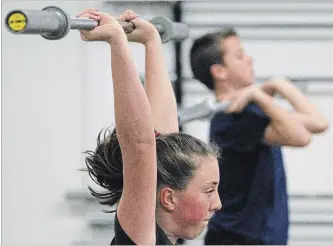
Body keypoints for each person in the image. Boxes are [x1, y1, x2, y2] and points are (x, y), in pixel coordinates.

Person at [77, 8, 222, 245]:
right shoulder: (144, 238)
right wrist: (117, 42)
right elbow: (140, 145)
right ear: (168, 198)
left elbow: (162, 140)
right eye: (209, 190)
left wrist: (151, 42)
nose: (217, 203)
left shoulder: (165, 232)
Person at [190, 28, 329, 245]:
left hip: (262, 238)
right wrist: (261, 96)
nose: (249, 60)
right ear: (220, 71)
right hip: (239, 239)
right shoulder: (231, 120)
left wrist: (279, 85)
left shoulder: (251, 111)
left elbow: (319, 123)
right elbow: (302, 137)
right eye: (239, 56)